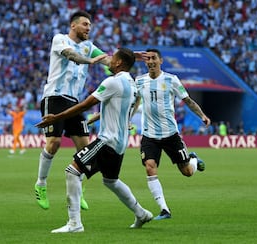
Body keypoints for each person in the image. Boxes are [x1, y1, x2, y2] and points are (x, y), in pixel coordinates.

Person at [34, 10, 149, 211]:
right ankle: (41, 184)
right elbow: (71, 55)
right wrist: (89, 61)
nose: (89, 28)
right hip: (54, 97)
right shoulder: (60, 40)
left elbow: (109, 60)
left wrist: (131, 58)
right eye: (85, 24)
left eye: (90, 26)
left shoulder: (89, 47)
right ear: (73, 25)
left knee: (84, 148)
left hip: (75, 101)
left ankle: (79, 191)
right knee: (54, 143)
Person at [134, 48, 211, 220]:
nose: (151, 61)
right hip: (149, 135)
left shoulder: (171, 80)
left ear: (161, 61)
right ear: (145, 62)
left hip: (170, 134)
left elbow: (188, 100)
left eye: (154, 58)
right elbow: (135, 102)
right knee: (149, 166)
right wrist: (127, 120)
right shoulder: (139, 81)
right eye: (148, 59)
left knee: (187, 172)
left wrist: (202, 115)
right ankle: (164, 209)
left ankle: (193, 160)